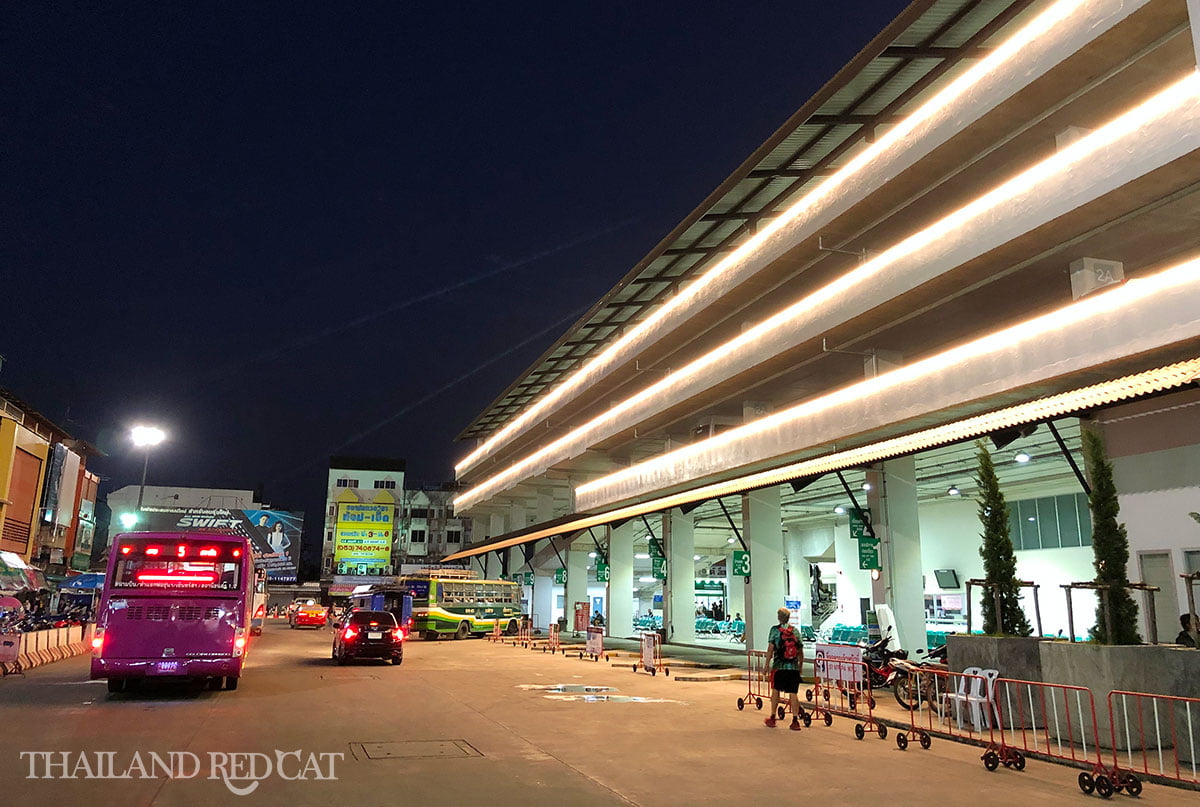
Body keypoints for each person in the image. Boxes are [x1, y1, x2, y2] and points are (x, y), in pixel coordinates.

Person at [764, 607, 804, 730]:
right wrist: (800, 667)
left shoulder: (775, 631)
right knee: (793, 693)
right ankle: (795, 720)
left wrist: (766, 666)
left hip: (779, 667)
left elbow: (770, 650)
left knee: (776, 691)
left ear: (778, 617)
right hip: (793, 668)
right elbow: (800, 652)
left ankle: (772, 717)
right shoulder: (795, 631)